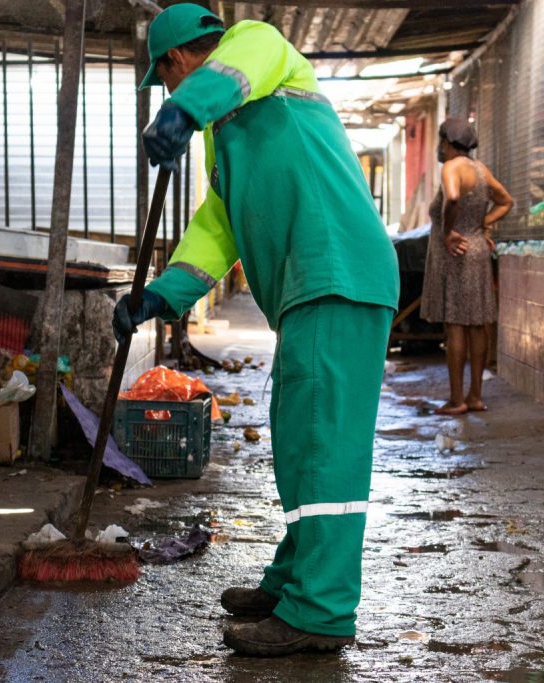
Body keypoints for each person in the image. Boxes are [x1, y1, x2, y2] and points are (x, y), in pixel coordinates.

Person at [111, 4, 400, 657]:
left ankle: (321, 611)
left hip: (338, 270)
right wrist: (158, 296)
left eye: (165, 81)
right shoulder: (228, 143)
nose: (168, 93)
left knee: (323, 442)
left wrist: (184, 111)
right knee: (302, 439)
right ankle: (295, 581)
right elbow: (217, 231)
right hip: (315, 284)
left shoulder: (259, 49)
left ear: (180, 60)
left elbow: (239, 67)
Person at [421, 118, 513, 415]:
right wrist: (480, 225)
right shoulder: (480, 169)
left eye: (441, 142)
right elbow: (506, 201)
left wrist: (449, 232)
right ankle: (475, 396)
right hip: (477, 250)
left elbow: (454, 196)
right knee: (477, 324)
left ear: (447, 143)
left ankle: (457, 399)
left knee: (457, 324)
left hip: (456, 253)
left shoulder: (451, 167)